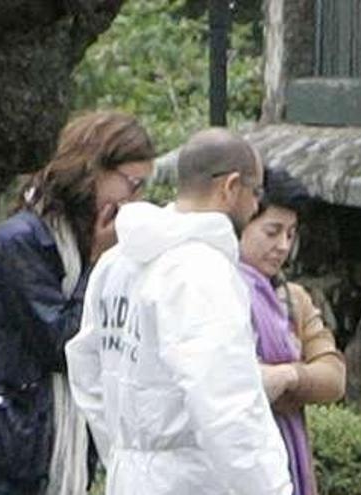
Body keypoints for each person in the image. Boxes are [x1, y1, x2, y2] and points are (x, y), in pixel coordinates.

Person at [0, 110, 156, 495]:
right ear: (93, 170)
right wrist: (99, 264)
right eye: (131, 185)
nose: (135, 200)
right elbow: (64, 341)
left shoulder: (84, 240)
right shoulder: (23, 241)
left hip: (43, 439)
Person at [66, 128, 293, 495]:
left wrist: (123, 451)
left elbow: (86, 370)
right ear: (231, 187)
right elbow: (227, 405)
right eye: (257, 194)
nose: (255, 207)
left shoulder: (116, 263)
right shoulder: (202, 272)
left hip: (129, 476)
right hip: (190, 478)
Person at [239, 168, 346, 495]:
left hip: (286, 460)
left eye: (291, 233)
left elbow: (334, 376)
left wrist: (287, 377)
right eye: (272, 232)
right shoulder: (215, 292)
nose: (283, 246)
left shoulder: (292, 300)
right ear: (242, 224)